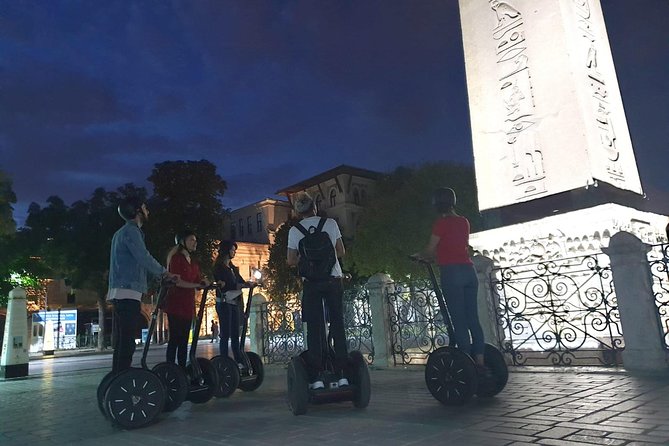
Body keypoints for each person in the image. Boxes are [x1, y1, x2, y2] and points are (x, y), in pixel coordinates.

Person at [414, 187, 486, 369]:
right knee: (473, 318)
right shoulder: (464, 222)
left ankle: (466, 365)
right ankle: (480, 361)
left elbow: (430, 249)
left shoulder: (441, 223)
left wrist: (420, 255)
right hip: (469, 272)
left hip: (452, 273)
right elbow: (454, 246)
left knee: (459, 320)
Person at [107, 196, 178, 373]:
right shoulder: (131, 232)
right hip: (127, 291)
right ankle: (123, 377)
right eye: (145, 208)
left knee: (123, 340)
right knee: (128, 341)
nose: (148, 211)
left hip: (121, 291)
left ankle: (118, 375)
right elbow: (143, 256)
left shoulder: (120, 233)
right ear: (137, 211)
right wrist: (164, 272)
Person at [286, 192, 348, 390]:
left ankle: (318, 377)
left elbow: (290, 260)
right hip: (333, 279)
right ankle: (342, 374)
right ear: (314, 207)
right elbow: (341, 251)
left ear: (297, 212)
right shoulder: (330, 223)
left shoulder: (294, 231)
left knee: (315, 327)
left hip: (311, 283)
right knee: (337, 325)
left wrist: (307, 260)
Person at [163, 230, 209, 367]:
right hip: (176, 304)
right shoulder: (176, 258)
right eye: (191, 240)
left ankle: (182, 370)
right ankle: (170, 369)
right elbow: (178, 281)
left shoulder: (193, 261)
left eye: (195, 240)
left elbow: (197, 279)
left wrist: (204, 282)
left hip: (188, 305)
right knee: (175, 340)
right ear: (182, 242)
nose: (195, 242)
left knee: (184, 341)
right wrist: (196, 284)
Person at [213, 240, 247, 368]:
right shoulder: (219, 268)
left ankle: (238, 359)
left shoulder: (232, 268)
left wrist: (249, 283)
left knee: (235, 334)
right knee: (225, 334)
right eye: (232, 250)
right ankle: (224, 361)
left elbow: (240, 281)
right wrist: (223, 284)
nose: (234, 252)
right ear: (226, 251)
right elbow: (222, 284)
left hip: (234, 303)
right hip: (224, 302)